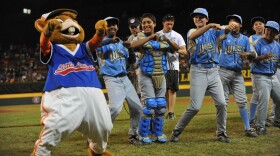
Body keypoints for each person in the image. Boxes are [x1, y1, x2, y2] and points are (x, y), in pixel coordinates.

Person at [31, 9, 113, 156]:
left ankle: (97, 151)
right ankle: (41, 153)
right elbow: (44, 44)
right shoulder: (54, 48)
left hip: (93, 91)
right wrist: (46, 33)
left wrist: (100, 33)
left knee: (104, 126)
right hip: (63, 92)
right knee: (55, 126)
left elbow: (94, 43)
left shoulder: (83, 48)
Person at [170, 8, 235, 143]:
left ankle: (221, 132)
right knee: (195, 107)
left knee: (222, 103)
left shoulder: (215, 33)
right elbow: (193, 37)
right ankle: (177, 130)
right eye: (196, 17)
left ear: (207, 18)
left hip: (213, 71)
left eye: (201, 17)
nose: (198, 19)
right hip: (198, 71)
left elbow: (227, 30)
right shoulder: (192, 31)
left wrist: (230, 26)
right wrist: (211, 25)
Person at [130, 13, 180, 144]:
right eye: (144, 22)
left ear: (154, 24)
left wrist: (167, 40)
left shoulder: (162, 38)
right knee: (149, 105)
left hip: (161, 74)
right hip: (145, 74)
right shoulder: (140, 37)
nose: (146, 25)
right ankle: (143, 134)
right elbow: (133, 46)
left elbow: (177, 49)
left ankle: (157, 133)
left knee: (161, 106)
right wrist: (152, 37)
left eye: (149, 22)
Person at [95, 16, 143, 145]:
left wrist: (130, 48)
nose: (112, 26)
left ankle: (134, 135)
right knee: (115, 108)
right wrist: (110, 41)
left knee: (138, 108)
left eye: (114, 24)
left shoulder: (121, 43)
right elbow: (95, 45)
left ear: (117, 27)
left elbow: (132, 62)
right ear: (105, 27)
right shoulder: (101, 41)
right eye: (109, 24)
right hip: (111, 79)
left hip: (125, 78)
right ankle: (95, 134)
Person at [218, 14, 258, 137]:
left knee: (242, 101)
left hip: (237, 73)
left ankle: (247, 128)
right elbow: (217, 39)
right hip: (223, 71)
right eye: (231, 22)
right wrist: (224, 30)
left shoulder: (245, 39)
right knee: (223, 102)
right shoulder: (223, 36)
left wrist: (248, 54)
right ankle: (222, 131)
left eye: (236, 22)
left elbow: (254, 54)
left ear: (240, 25)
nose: (233, 23)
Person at [250, 21, 280, 135]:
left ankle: (277, 120)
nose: (269, 32)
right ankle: (260, 126)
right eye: (267, 30)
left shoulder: (277, 45)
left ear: (276, 33)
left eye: (272, 31)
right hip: (260, 75)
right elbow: (253, 59)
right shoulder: (257, 43)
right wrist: (264, 57)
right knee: (264, 100)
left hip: (273, 76)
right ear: (265, 30)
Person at [157, 14, 187, 120]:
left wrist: (175, 50)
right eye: (167, 24)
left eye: (171, 24)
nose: (169, 26)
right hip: (159, 66)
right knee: (163, 90)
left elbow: (184, 51)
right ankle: (163, 111)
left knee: (172, 90)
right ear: (163, 23)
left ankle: (171, 112)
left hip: (172, 66)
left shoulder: (177, 35)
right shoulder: (157, 35)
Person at [126, 17, 142, 98]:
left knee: (142, 92)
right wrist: (131, 69)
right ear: (129, 28)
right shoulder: (130, 38)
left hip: (142, 69)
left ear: (140, 26)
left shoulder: (143, 36)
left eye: (136, 26)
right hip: (134, 70)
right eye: (132, 27)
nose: (134, 29)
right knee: (135, 93)